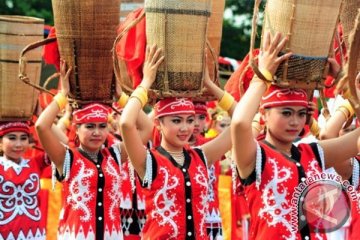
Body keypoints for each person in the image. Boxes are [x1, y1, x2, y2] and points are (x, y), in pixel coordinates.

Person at [231, 32, 360, 239]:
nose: (295, 122)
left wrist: (344, 83)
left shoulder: (313, 153)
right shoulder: (255, 157)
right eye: (286, 113)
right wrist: (262, 76)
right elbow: (239, 123)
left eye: (301, 114)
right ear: (264, 113)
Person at [120, 44, 236, 239]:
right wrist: (146, 83)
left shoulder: (201, 156)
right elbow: (125, 123)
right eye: (176, 120)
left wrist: (209, 84)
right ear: (158, 123)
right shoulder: (148, 161)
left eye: (189, 120)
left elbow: (241, 122)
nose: (185, 128)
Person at [35, 59, 153, 240]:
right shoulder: (67, 158)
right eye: (89, 126)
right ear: (77, 127)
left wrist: (121, 97)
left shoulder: (114, 155)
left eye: (102, 126)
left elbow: (146, 127)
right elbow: (41, 126)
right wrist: (63, 95)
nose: (97, 132)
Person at [0, 121, 47, 239]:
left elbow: (60, 147)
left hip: (34, 233)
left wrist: (41, 116)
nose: (18, 144)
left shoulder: (36, 162)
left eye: (23, 138)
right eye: (12, 138)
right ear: (0, 142)